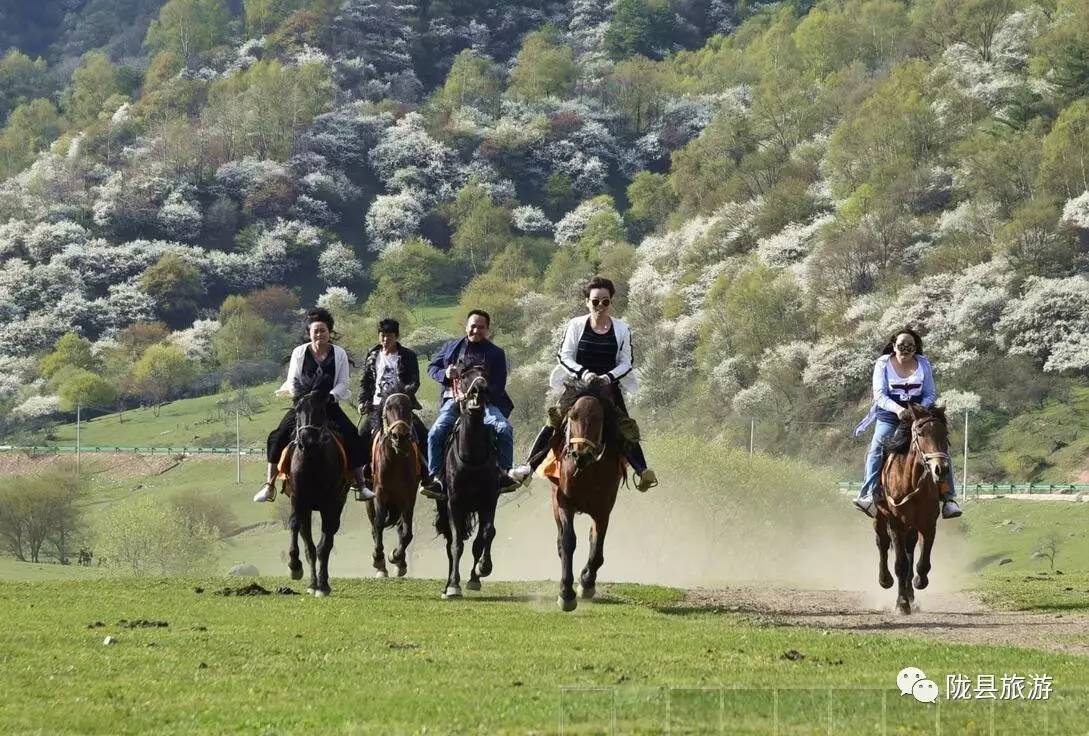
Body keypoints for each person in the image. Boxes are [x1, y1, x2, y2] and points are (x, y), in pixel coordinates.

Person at [511, 275, 658, 492]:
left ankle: (642, 471)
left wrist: (607, 377)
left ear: (611, 302)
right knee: (555, 422)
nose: (600, 305)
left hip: (607, 386)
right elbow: (564, 356)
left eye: (605, 301)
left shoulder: (622, 329)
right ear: (587, 302)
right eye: (595, 301)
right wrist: (585, 373)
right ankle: (528, 468)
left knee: (624, 426)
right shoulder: (576, 325)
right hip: (579, 385)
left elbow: (627, 362)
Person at [253, 307, 373, 503]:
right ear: (309, 333)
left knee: (352, 434)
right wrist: (304, 398)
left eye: (323, 330)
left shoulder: (339, 354)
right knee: (277, 436)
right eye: (315, 331)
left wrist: (331, 396)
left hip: (329, 405)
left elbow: (343, 382)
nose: (319, 334)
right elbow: (292, 381)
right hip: (304, 406)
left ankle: (360, 485)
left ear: (329, 332)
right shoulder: (299, 353)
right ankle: (269, 485)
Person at [853, 328, 962, 519]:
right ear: (894, 346)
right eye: (901, 345)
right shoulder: (883, 363)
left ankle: (948, 497)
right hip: (889, 415)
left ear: (915, 348)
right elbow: (879, 395)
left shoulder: (923, 363)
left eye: (910, 346)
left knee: (939, 450)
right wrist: (899, 410)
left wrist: (917, 410)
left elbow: (930, 393)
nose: (905, 350)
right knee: (877, 447)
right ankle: (868, 495)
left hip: (919, 413)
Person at [419, 309, 527, 499]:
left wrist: (482, 391)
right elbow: (432, 367)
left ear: (487, 330)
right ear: (466, 326)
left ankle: (504, 472)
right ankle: (436, 477)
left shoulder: (496, 353)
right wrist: (445, 374)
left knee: (504, 428)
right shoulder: (451, 347)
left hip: (484, 403)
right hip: (454, 401)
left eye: (481, 327)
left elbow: (499, 385)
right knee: (435, 432)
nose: (476, 330)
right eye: (473, 326)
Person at [357, 318, 429, 499]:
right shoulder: (373, 355)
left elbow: (414, 381)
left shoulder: (408, 356)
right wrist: (362, 400)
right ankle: (361, 477)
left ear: (396, 336)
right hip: (376, 406)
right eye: (382, 336)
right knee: (361, 434)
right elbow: (366, 381)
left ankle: (429, 474)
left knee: (422, 433)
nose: (385, 340)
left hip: (400, 407)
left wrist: (403, 394)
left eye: (389, 336)